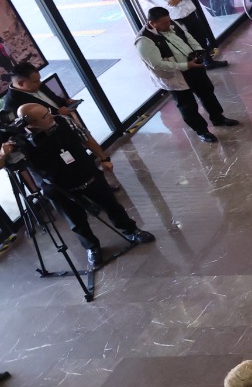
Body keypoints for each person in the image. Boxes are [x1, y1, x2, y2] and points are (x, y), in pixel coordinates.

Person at [2, 105, 154, 269]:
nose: (52, 116)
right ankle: (92, 248)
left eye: (48, 112)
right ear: (31, 124)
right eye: (45, 117)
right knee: (76, 221)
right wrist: (4, 153)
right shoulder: (18, 141)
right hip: (58, 187)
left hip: (86, 173)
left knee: (112, 206)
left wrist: (103, 158)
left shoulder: (64, 121)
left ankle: (131, 230)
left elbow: (86, 138)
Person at [136, 6, 241, 142]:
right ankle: (202, 131)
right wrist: (185, 65)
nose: (169, 25)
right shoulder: (144, 41)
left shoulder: (172, 23)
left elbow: (188, 37)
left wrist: (199, 51)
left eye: (169, 21)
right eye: (164, 23)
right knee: (187, 105)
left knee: (207, 92)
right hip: (176, 76)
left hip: (193, 66)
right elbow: (157, 64)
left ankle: (218, 118)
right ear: (152, 23)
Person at [5, 61, 115, 180]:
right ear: (21, 83)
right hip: (56, 142)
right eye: (35, 81)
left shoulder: (37, 85)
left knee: (85, 158)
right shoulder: (12, 105)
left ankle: (98, 179)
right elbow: (30, 130)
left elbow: (53, 100)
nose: (40, 83)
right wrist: (57, 114)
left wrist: (66, 103)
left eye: (39, 79)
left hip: (69, 127)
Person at [140, 0, 225, 67]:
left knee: (201, 39)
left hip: (192, 15)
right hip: (177, 21)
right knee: (188, 45)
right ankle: (196, 67)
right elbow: (171, 4)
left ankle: (208, 62)